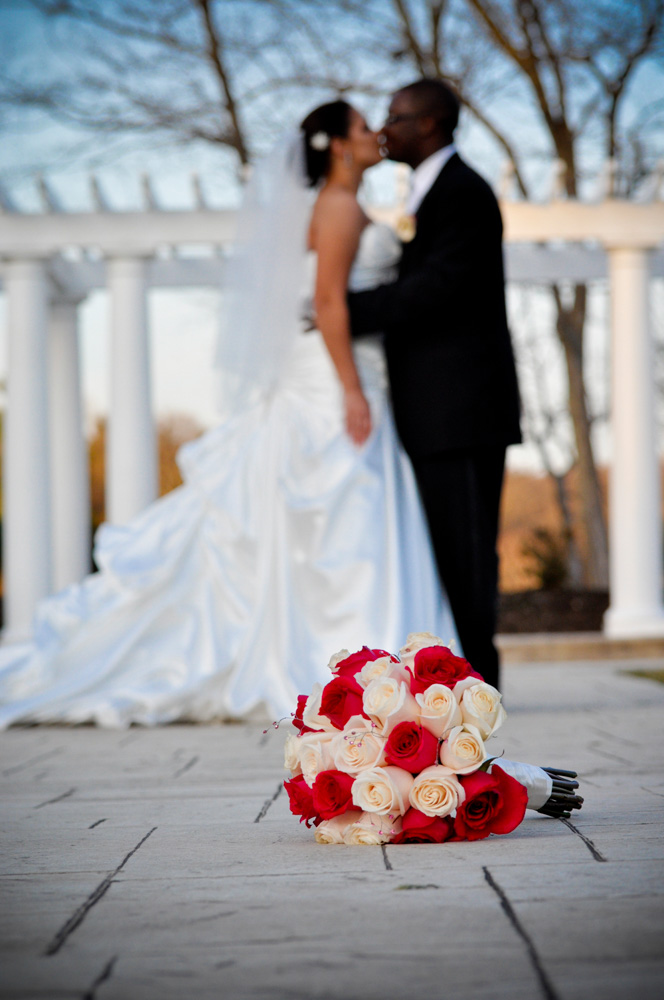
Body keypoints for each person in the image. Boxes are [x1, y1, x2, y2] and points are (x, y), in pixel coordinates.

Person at [0, 100, 457, 728]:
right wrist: (351, 390)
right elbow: (327, 302)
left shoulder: (328, 207)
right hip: (333, 378)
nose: (374, 133)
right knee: (350, 508)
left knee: (337, 511)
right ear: (336, 147)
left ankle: (357, 659)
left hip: (336, 371)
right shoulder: (341, 207)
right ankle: (358, 660)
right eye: (360, 128)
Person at [349, 79, 522, 690]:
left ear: (430, 125)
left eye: (395, 116)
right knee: (450, 551)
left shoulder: (464, 193)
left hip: (462, 411)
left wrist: (346, 311)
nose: (384, 127)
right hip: (436, 411)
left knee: (468, 552)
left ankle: (481, 686)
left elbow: (439, 288)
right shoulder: (431, 193)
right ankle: (464, 681)